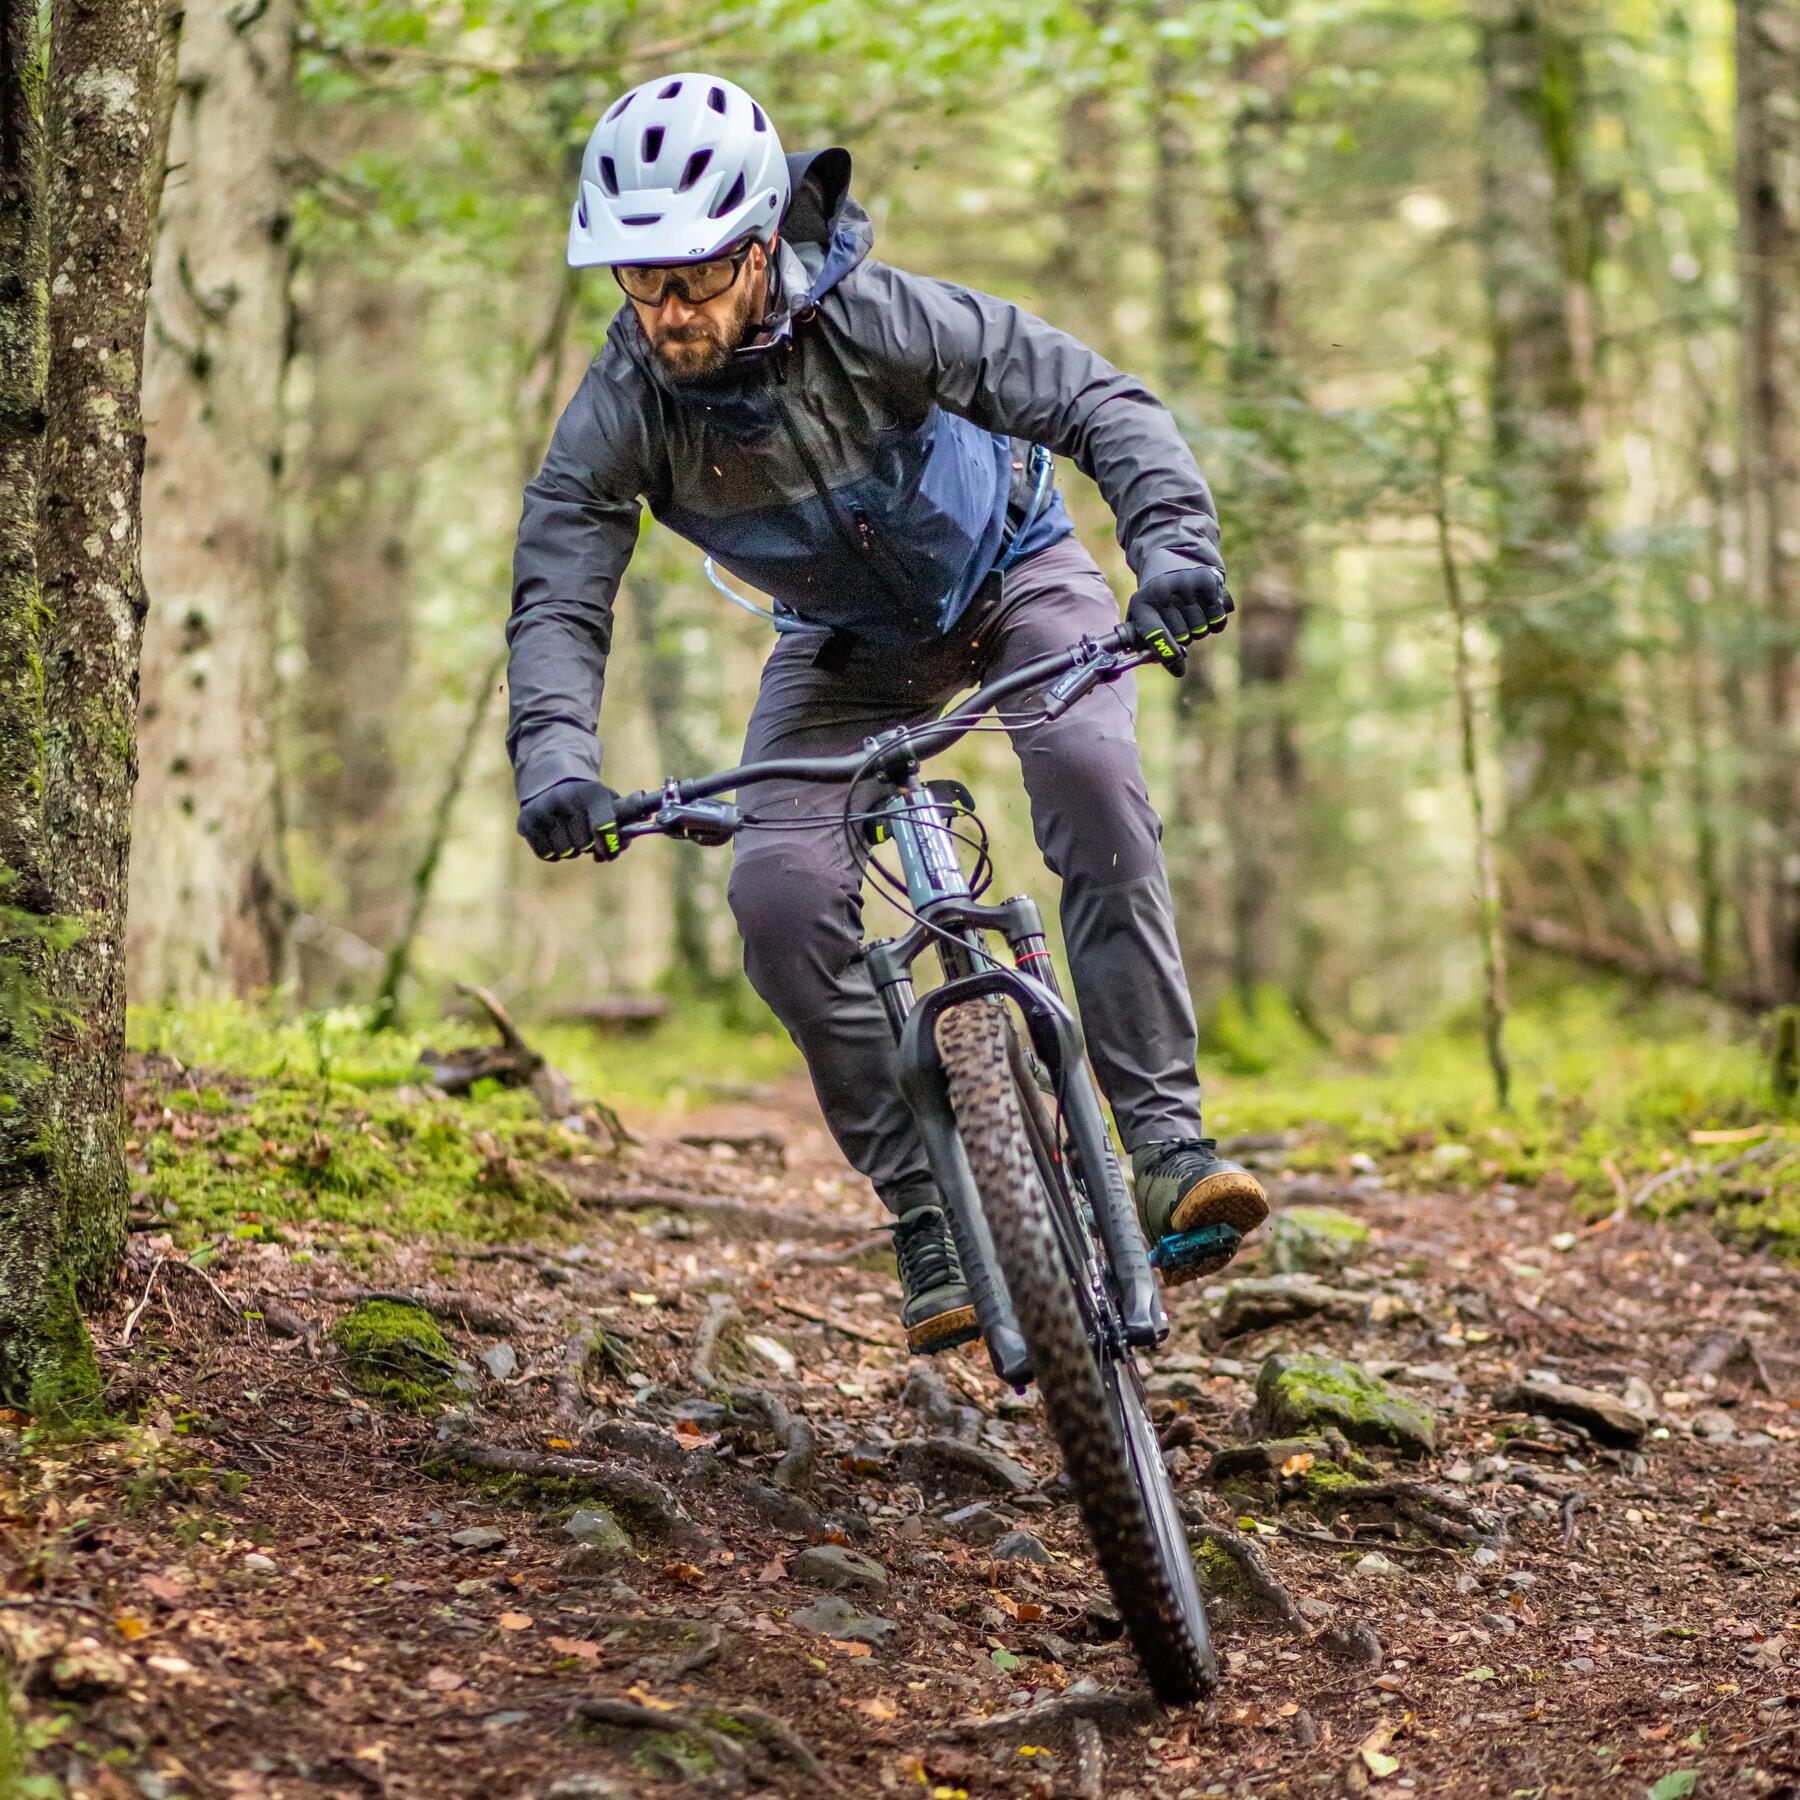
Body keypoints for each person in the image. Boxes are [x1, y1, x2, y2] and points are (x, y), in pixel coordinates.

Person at [506, 72, 1269, 1353]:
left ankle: (1162, 1143)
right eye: (641, 281)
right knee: (779, 900)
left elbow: (1099, 400)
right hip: (848, 650)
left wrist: (1173, 549)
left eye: (693, 278)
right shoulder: (620, 410)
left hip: (1019, 573)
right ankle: (931, 1212)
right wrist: (557, 759)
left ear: (759, 248)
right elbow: (558, 597)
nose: (669, 311)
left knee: (1084, 769)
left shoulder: (878, 316)